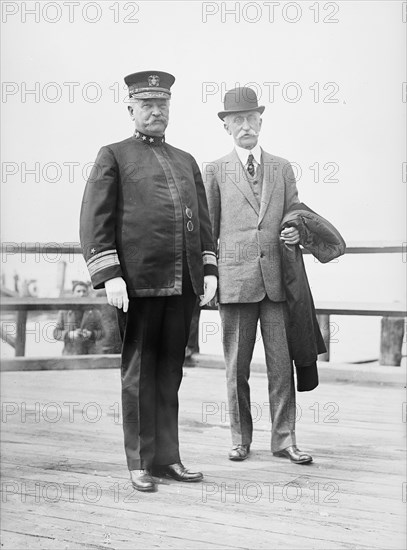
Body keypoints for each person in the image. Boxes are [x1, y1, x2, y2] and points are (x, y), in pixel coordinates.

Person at [80, 71, 218, 492]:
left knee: (169, 374)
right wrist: (110, 275)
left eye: (163, 105)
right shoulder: (113, 155)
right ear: (131, 110)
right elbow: (94, 220)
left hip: (183, 286)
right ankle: (140, 462)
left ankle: (168, 458)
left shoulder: (185, 160)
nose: (156, 112)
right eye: (147, 105)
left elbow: (204, 223)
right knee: (138, 374)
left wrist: (209, 269)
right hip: (136, 285)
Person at [204, 87, 313, 464]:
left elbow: (295, 210)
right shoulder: (215, 170)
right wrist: (211, 277)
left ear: (261, 122)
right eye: (237, 120)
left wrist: (296, 229)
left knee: (282, 367)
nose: (245, 126)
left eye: (251, 118)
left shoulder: (282, 167)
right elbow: (207, 230)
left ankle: (285, 439)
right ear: (227, 127)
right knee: (236, 369)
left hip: (276, 281)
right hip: (235, 282)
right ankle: (240, 438)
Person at [53, 281, 104, 355]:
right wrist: (69, 334)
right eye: (78, 291)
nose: (81, 294)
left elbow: (103, 333)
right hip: (70, 354)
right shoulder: (64, 311)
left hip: (90, 355)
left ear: (87, 294)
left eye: (84, 291)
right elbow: (56, 333)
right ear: (73, 293)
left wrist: (91, 334)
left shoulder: (94, 311)